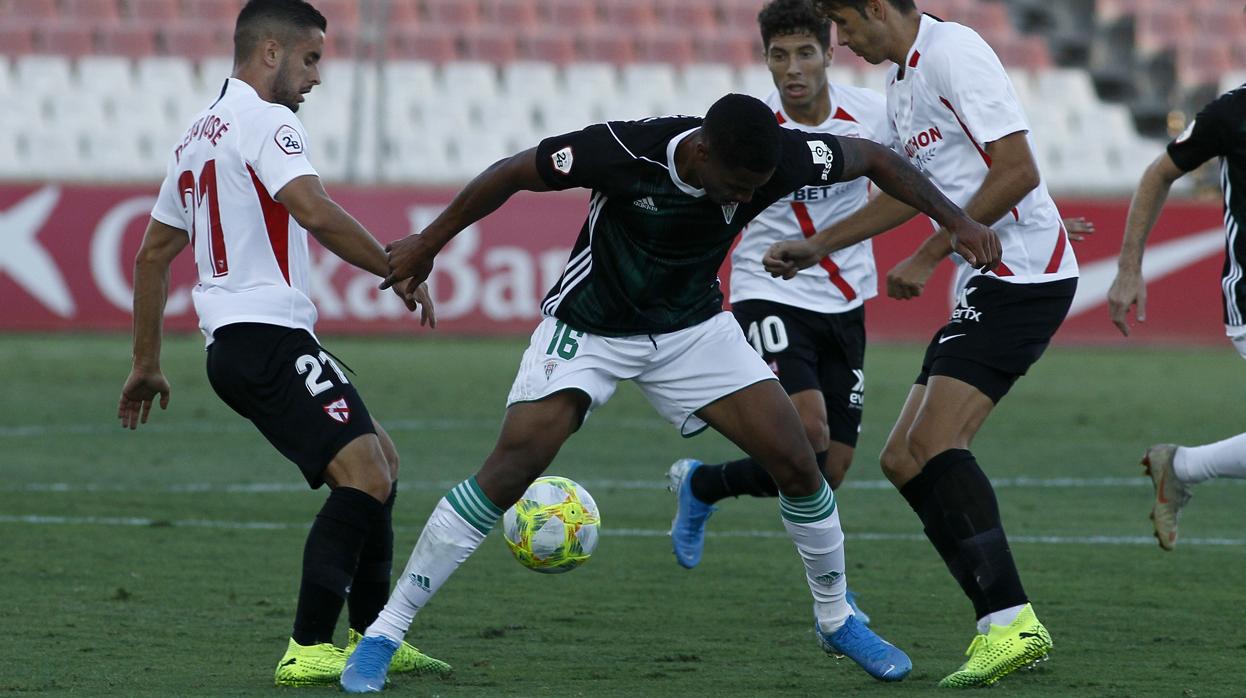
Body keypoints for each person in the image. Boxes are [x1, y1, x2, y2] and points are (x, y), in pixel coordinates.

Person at [339, 92, 1002, 692]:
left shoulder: (778, 159)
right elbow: (516, 170)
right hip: (591, 326)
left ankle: (836, 619)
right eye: (737, 184)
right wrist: (429, 242)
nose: (743, 197)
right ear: (704, 152)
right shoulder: (623, 151)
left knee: (801, 460)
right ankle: (386, 631)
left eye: (756, 186)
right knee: (510, 467)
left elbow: (878, 160)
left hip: (692, 331)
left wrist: (958, 222)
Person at [115, 0, 449, 687]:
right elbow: (315, 211)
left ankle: (373, 634)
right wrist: (399, 264)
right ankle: (308, 645)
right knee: (367, 476)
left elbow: (152, 254)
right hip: (264, 334)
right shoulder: (269, 122)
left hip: (240, 344)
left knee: (381, 460)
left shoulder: (197, 135)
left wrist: (146, 364)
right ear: (270, 52)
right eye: (311, 58)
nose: (317, 76)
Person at [765, 0, 1078, 688]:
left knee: (935, 445)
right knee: (903, 457)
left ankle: (1011, 622)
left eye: (845, 26)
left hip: (1023, 278)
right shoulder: (903, 80)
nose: (841, 42)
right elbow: (911, 189)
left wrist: (931, 254)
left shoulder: (953, 55)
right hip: (991, 281)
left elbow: (1018, 170)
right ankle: (999, 622)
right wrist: (819, 246)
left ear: (877, 7)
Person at [664, 0, 886, 626]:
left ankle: (704, 484)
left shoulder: (871, 118)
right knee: (808, 431)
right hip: (771, 289)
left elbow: (929, 174)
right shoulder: (754, 131)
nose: (793, 68)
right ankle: (837, 602)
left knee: (829, 468)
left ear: (829, 52)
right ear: (764, 59)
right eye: (779, 55)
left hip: (847, 299)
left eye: (805, 53)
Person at [1107, 83, 1246, 551]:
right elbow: (1157, 174)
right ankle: (1182, 468)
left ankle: (1180, 468)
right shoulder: (1233, 112)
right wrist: (1129, 269)